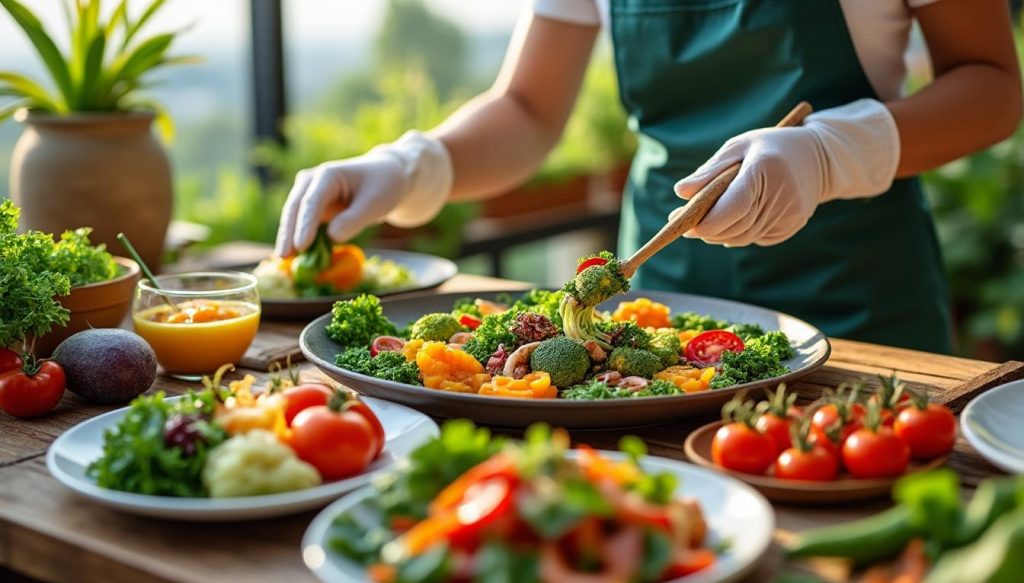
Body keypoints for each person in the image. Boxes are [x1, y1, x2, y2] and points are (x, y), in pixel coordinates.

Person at [275, 0, 1021, 354]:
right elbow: (529, 107)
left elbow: (991, 84)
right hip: (655, 315)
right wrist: (411, 164)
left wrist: (829, 152)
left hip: (859, 307)